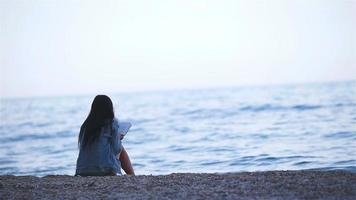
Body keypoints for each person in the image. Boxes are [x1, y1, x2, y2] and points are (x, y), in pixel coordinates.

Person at [75, 95, 135, 176]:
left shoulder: (85, 125)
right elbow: (116, 149)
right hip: (105, 169)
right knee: (121, 147)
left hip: (81, 170)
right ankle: (132, 175)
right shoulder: (112, 122)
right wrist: (118, 137)